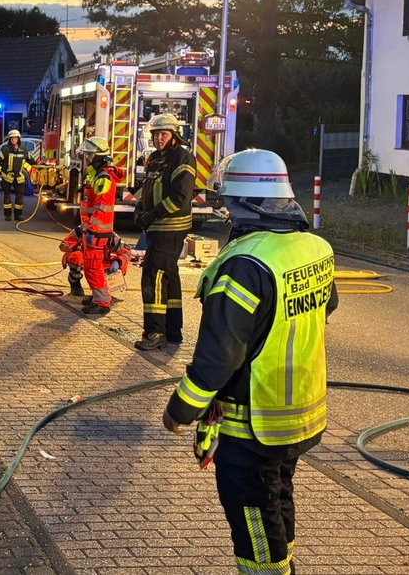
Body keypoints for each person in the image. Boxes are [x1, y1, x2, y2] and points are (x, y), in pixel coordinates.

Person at [162, 149, 336, 575]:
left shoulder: (244, 264)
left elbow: (219, 355)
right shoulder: (315, 247)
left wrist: (181, 410)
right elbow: (325, 307)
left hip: (253, 424)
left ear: (242, 202)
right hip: (301, 414)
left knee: (256, 519)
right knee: (277, 497)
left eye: (227, 202)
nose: (225, 211)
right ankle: (285, 564)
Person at [133, 113, 196, 350]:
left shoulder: (182, 158)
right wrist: (140, 208)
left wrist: (152, 214)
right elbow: (148, 188)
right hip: (157, 228)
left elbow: (180, 198)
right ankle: (172, 330)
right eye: (156, 134)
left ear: (174, 136)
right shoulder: (156, 159)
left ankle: (155, 332)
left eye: (163, 134)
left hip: (170, 228)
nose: (159, 138)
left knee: (155, 275)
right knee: (168, 276)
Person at [77, 137, 125, 315]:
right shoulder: (96, 175)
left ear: (99, 157)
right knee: (91, 267)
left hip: (97, 232)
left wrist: (93, 229)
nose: (87, 158)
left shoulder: (103, 178)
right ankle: (97, 297)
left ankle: (102, 302)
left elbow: (101, 207)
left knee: (94, 267)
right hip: (92, 230)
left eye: (90, 155)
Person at [0, 129, 33, 221]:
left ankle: (18, 215)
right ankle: (8, 215)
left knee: (20, 197)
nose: (13, 140)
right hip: (6, 177)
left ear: (18, 139)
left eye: (15, 138)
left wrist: (40, 166)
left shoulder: (24, 151)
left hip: (19, 178)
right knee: (7, 196)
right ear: (9, 139)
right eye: (12, 138)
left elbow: (31, 161)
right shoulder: (5, 150)